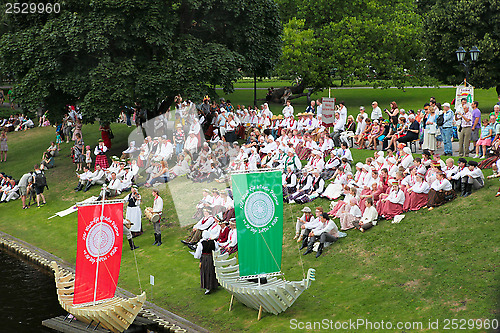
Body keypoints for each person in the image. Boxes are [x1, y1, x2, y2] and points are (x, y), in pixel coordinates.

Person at [193, 230, 219, 295]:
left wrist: (199, 257)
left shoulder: (201, 243)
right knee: (212, 271)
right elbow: (217, 249)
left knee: (206, 272)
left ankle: (207, 288)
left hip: (205, 258)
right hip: (211, 257)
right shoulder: (214, 242)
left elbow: (198, 254)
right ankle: (213, 285)